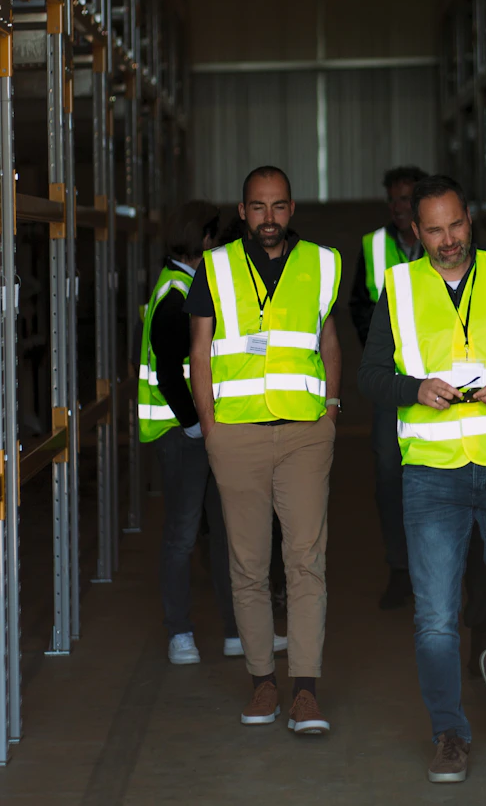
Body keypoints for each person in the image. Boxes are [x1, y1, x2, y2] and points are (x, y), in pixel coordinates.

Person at [358, 175, 486, 783]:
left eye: (456, 225)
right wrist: (413, 388)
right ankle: (449, 733)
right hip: (433, 477)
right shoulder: (399, 287)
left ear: (471, 221)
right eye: (435, 230)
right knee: (436, 618)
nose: (448, 240)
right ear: (416, 232)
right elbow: (369, 377)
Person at [186, 166, 342, 736]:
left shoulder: (324, 263)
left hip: (305, 433)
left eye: (278, 206)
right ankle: (262, 683)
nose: (268, 217)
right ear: (243, 210)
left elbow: (327, 339)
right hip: (237, 435)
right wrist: (211, 427)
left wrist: (331, 410)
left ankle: (305, 691)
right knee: (248, 565)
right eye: (258, 207)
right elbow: (199, 353)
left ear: (292, 208)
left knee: (305, 562)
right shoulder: (216, 267)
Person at [138, 201, 245, 664]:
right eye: (216, 235)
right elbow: (167, 373)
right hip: (179, 434)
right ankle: (180, 632)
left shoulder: (185, 285)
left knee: (222, 532)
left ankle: (235, 631)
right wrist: (196, 425)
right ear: (203, 238)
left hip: (195, 432)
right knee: (183, 535)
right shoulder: (176, 294)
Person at [349, 165, 427, 609]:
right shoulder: (374, 246)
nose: (400, 207)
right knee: (387, 469)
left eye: (407, 198)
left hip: (438, 378)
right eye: (394, 199)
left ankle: (433, 570)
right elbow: (359, 305)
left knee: (436, 471)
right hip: (391, 380)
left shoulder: (443, 240)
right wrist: (383, 350)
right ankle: (399, 568)